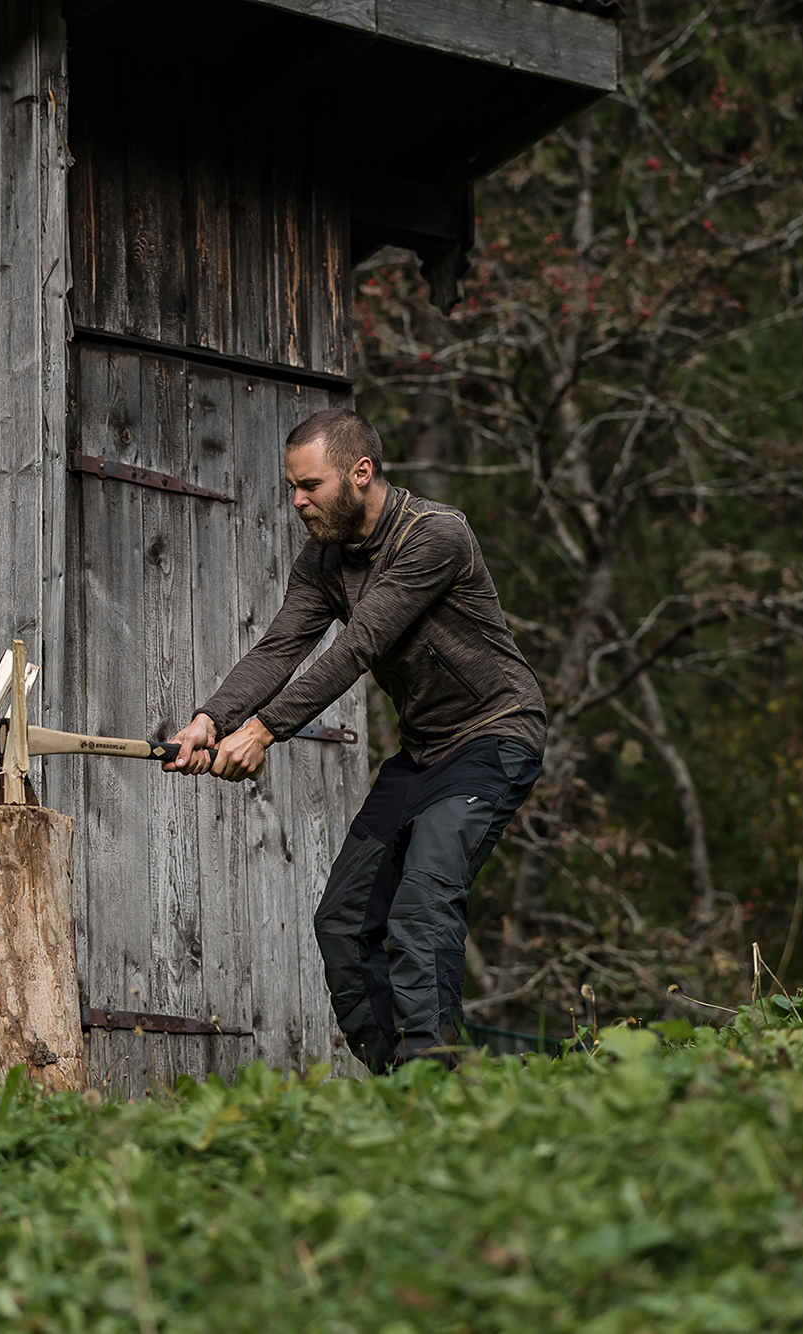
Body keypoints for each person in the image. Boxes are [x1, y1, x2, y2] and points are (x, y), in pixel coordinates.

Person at [164, 407, 546, 1072]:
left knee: (423, 910)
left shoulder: (437, 536)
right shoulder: (324, 561)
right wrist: (212, 718)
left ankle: (435, 1087)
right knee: (341, 924)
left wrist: (264, 730)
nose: (297, 501)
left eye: (310, 485)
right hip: (424, 755)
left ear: (360, 473)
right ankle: (399, 1085)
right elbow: (281, 648)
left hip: (493, 738)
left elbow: (361, 644)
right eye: (292, 487)